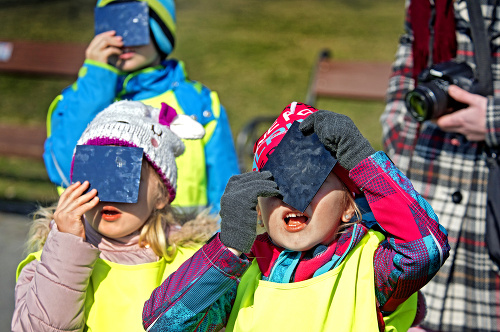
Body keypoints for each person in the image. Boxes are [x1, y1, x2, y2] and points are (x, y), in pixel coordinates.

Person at [141, 102, 450, 331]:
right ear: (258, 208)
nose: (289, 197)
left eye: (309, 182)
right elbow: (162, 324)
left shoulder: (371, 267)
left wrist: (361, 158)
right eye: (273, 186)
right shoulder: (242, 269)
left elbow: (425, 251)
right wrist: (229, 244)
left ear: (348, 205)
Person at [12, 100, 219, 331]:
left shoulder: (193, 264)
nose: (108, 195)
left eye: (126, 176)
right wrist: (65, 248)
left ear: (161, 195)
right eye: (95, 176)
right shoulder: (51, 262)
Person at [43, 0, 239, 215]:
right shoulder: (81, 98)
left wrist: (223, 245)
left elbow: (224, 188)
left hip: (187, 243)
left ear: (160, 33)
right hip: (104, 242)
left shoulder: (198, 102)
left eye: (135, 23)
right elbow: (64, 167)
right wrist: (97, 77)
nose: (122, 40)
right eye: (113, 24)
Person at [381, 1, 500, 331]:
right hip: (425, 174)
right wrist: (399, 127)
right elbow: (412, 44)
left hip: (487, 194)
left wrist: (492, 121)